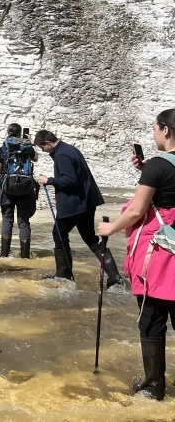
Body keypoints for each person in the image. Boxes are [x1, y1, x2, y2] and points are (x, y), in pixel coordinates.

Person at [97, 109, 175, 401]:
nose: (154, 133)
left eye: (155, 128)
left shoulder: (157, 166)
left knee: (153, 318)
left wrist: (109, 229)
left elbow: (135, 211)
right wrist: (147, 170)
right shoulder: (155, 167)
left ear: (166, 130)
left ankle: (154, 387)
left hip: (161, 254)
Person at [35, 130, 120, 284]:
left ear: (47, 143)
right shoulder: (69, 149)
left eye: (42, 148)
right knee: (90, 239)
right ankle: (114, 277)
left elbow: (70, 180)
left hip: (75, 204)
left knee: (59, 233)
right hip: (86, 202)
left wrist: (50, 180)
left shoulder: (62, 155)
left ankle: (64, 274)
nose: (42, 151)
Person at [0, 123, 39, 258]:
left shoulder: (4, 147)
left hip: (7, 187)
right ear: (20, 134)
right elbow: (35, 159)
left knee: (7, 219)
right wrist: (31, 143)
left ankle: (4, 254)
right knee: (23, 221)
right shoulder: (27, 146)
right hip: (25, 188)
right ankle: (25, 256)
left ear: (8, 132)